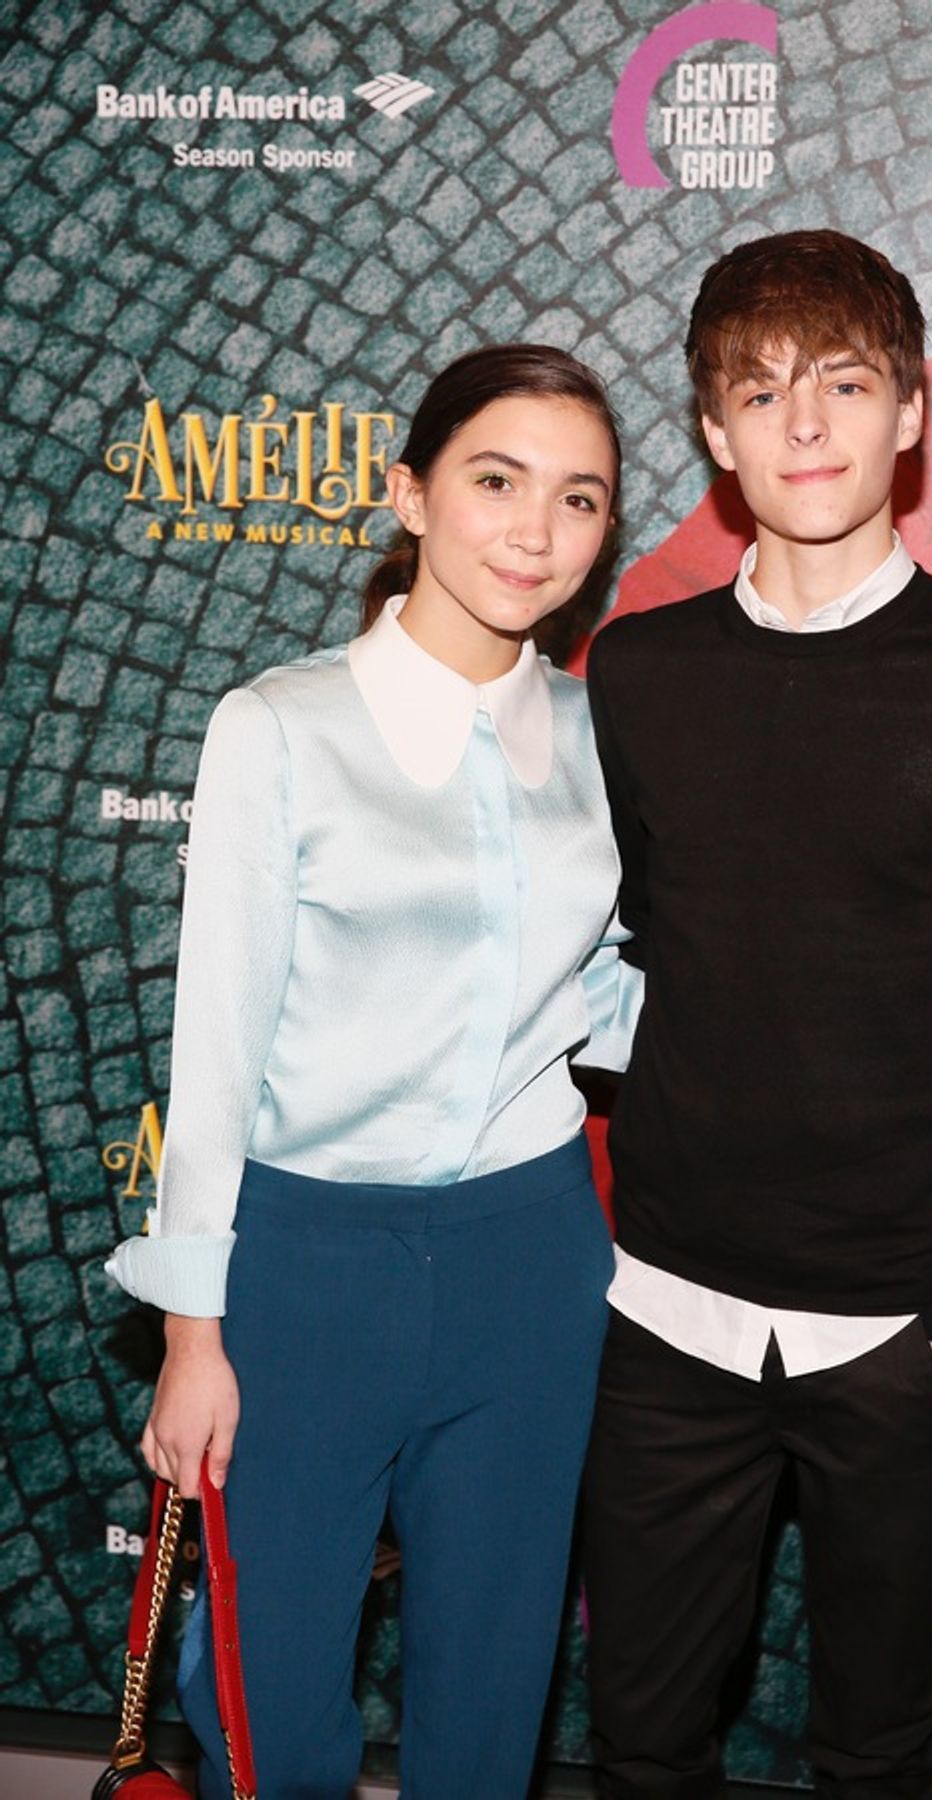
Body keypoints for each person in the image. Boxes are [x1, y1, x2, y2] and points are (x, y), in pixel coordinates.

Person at [581, 230, 932, 1798]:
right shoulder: (638, 671)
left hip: (899, 1336)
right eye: (760, 392)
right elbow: (638, 955)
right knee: (642, 1746)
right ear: (713, 434)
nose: (803, 424)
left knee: (879, 1752)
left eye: (846, 384)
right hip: (663, 1317)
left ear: (913, 412)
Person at [107, 343, 641, 1800]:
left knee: (491, 1687)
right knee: (267, 1698)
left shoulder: (604, 736)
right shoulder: (281, 725)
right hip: (308, 1267)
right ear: (409, 495)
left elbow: (600, 992)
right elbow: (216, 1046)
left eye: (579, 498)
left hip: (529, 1261)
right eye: (496, 480)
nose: (536, 530)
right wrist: (194, 1333)